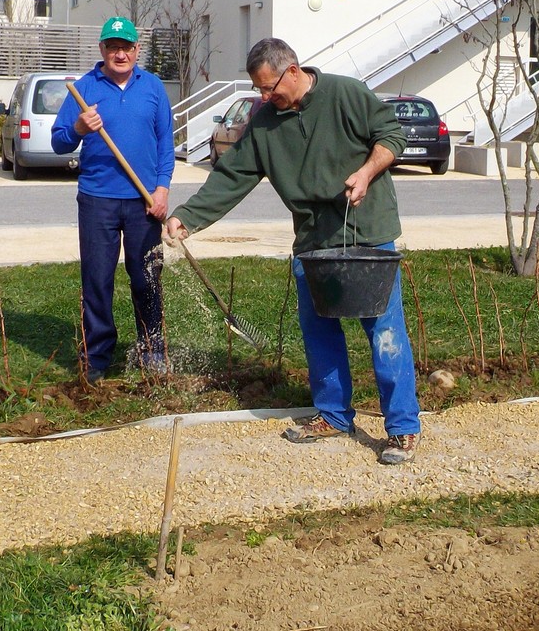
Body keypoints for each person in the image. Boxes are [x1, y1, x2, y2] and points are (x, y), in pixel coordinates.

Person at [164, 37, 423, 465]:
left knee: (384, 330)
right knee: (319, 328)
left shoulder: (346, 94)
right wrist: (188, 217)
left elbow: (390, 136)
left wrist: (366, 171)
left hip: (367, 230)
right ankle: (333, 414)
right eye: (260, 91)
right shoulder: (265, 123)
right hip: (313, 239)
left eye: (270, 88)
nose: (265, 98)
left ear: (294, 71)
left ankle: (402, 427)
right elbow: (232, 177)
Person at [52, 16, 174, 381]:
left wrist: (162, 189)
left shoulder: (152, 88)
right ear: (102, 50)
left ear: (137, 50)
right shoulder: (85, 89)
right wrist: (78, 127)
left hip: (143, 202)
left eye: (126, 47)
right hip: (97, 200)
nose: (120, 54)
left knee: (146, 278)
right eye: (113, 47)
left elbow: (166, 145)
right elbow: (59, 142)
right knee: (98, 280)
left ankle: (153, 351)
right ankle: (98, 357)